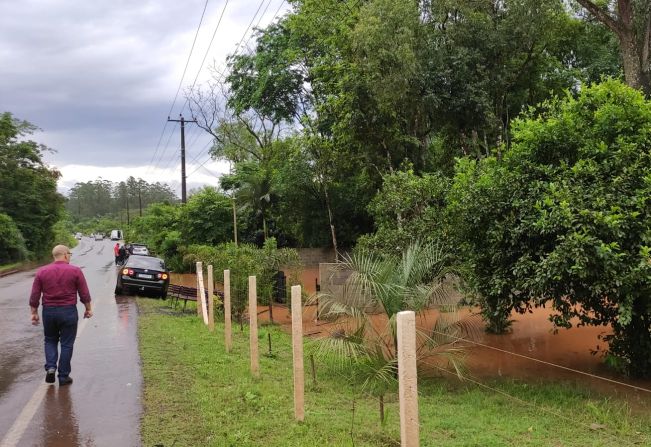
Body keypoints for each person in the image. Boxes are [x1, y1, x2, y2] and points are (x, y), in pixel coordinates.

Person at [29, 245, 93, 385]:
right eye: (69, 253)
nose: (70, 256)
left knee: (50, 340)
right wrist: (88, 309)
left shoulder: (42, 271)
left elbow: (35, 295)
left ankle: (51, 367)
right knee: (66, 344)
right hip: (68, 311)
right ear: (64, 255)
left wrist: (34, 312)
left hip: (49, 312)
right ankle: (63, 376)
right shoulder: (75, 271)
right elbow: (84, 294)